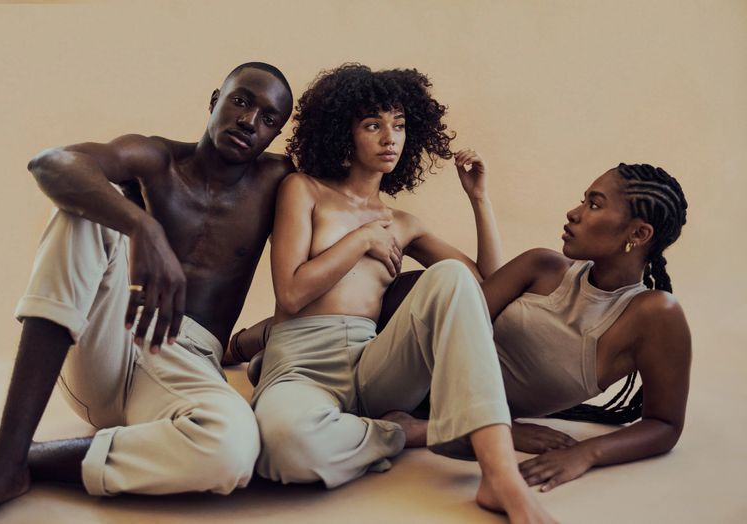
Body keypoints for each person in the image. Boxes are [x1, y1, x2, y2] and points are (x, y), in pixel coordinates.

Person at [0, 62, 294, 524]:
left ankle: (16, 458)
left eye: (270, 118)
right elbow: (51, 161)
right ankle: (4, 456)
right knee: (82, 209)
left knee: (233, 447)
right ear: (215, 100)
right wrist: (142, 226)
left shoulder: (278, 181)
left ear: (275, 134)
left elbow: (338, 228)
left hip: (184, 367)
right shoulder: (156, 160)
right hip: (109, 341)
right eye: (242, 100)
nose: (250, 121)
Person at [233, 162, 691, 494]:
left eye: (593, 204)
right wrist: (502, 430)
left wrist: (584, 454)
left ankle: (271, 344)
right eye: (582, 199)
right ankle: (267, 336)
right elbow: (460, 308)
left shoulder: (654, 316)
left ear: (640, 234)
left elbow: (665, 424)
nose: (574, 212)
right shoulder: (543, 265)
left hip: (407, 388)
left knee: (428, 286)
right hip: (401, 347)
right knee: (410, 290)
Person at [248, 64, 555, 523]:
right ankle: (412, 433)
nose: (390, 137)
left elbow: (486, 288)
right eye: (373, 125)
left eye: (400, 125)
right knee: (285, 448)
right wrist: (362, 240)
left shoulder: (403, 223)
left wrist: (480, 200)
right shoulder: (303, 190)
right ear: (341, 132)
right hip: (302, 365)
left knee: (449, 275)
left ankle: (501, 478)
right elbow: (291, 294)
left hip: (376, 366)